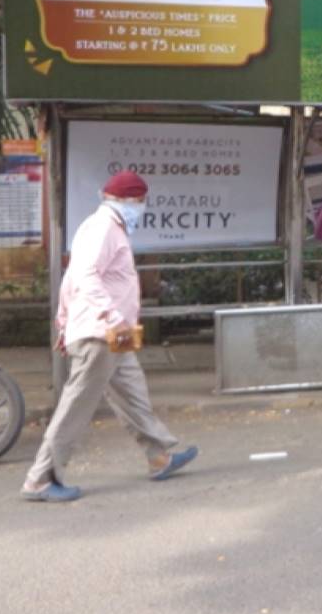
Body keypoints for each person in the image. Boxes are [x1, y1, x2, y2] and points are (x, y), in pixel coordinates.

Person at [21, 170, 197, 503]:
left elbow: (70, 280)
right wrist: (111, 317)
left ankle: (158, 457)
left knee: (133, 393)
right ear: (129, 200)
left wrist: (65, 322)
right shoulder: (102, 228)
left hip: (114, 334)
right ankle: (40, 479)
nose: (143, 208)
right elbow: (85, 276)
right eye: (142, 201)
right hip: (103, 333)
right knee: (76, 406)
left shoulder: (109, 228)